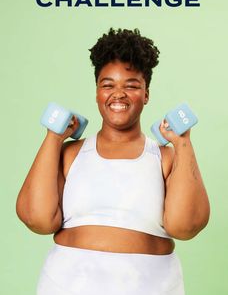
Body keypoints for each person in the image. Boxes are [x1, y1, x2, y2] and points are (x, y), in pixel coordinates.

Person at [16, 28, 210, 295]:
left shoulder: (165, 158)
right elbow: (37, 219)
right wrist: (53, 137)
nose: (118, 94)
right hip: (69, 283)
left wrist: (183, 141)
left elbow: (186, 227)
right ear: (97, 92)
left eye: (131, 85)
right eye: (108, 85)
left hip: (150, 284)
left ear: (146, 94)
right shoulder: (70, 154)